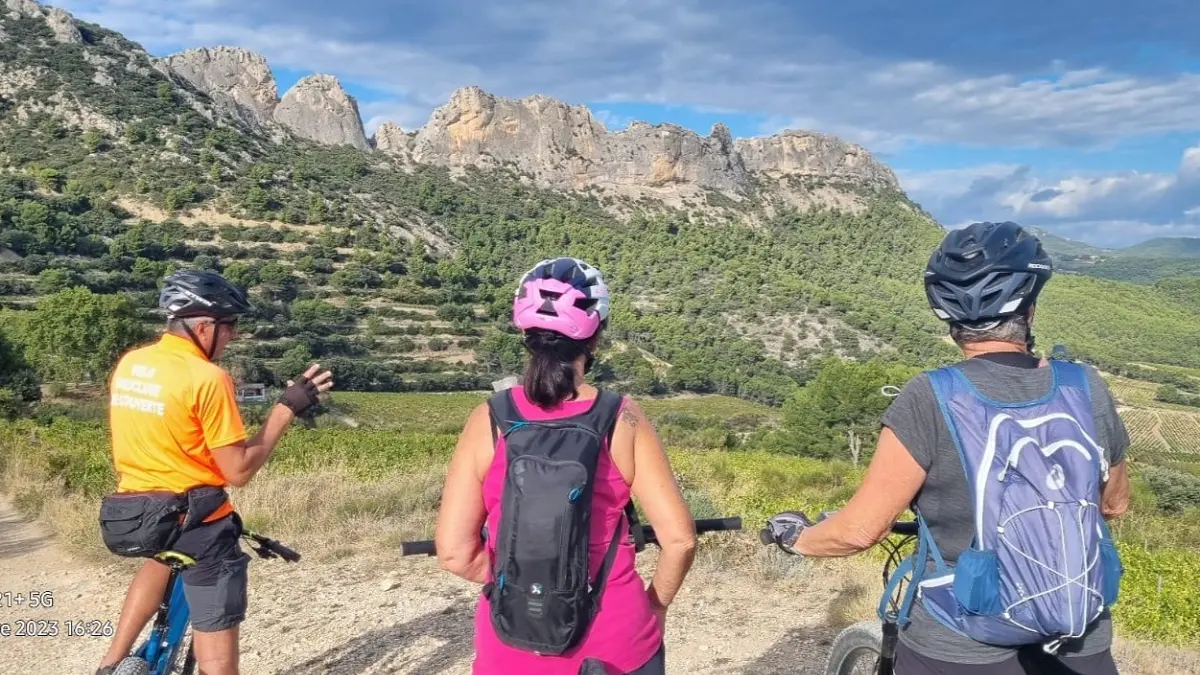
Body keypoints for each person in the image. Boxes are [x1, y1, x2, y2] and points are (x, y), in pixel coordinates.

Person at [763, 222, 1131, 675]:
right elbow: (1114, 504)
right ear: (1030, 310)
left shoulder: (932, 396)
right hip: (1079, 634)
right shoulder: (1085, 386)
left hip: (961, 640)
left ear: (951, 322)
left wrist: (796, 539)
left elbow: (859, 531)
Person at [435, 257, 696, 675]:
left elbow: (453, 553)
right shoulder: (623, 419)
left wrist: (519, 582)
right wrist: (654, 606)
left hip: (508, 645)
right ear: (595, 339)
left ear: (525, 332)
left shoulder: (489, 419)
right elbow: (680, 540)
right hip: (617, 643)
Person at [96, 270, 333, 675]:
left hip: (135, 516)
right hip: (195, 524)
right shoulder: (207, 378)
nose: (233, 336)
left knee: (158, 562)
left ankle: (109, 664)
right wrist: (286, 408)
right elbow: (238, 470)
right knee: (218, 646)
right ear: (203, 326)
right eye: (230, 326)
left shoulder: (131, 364)